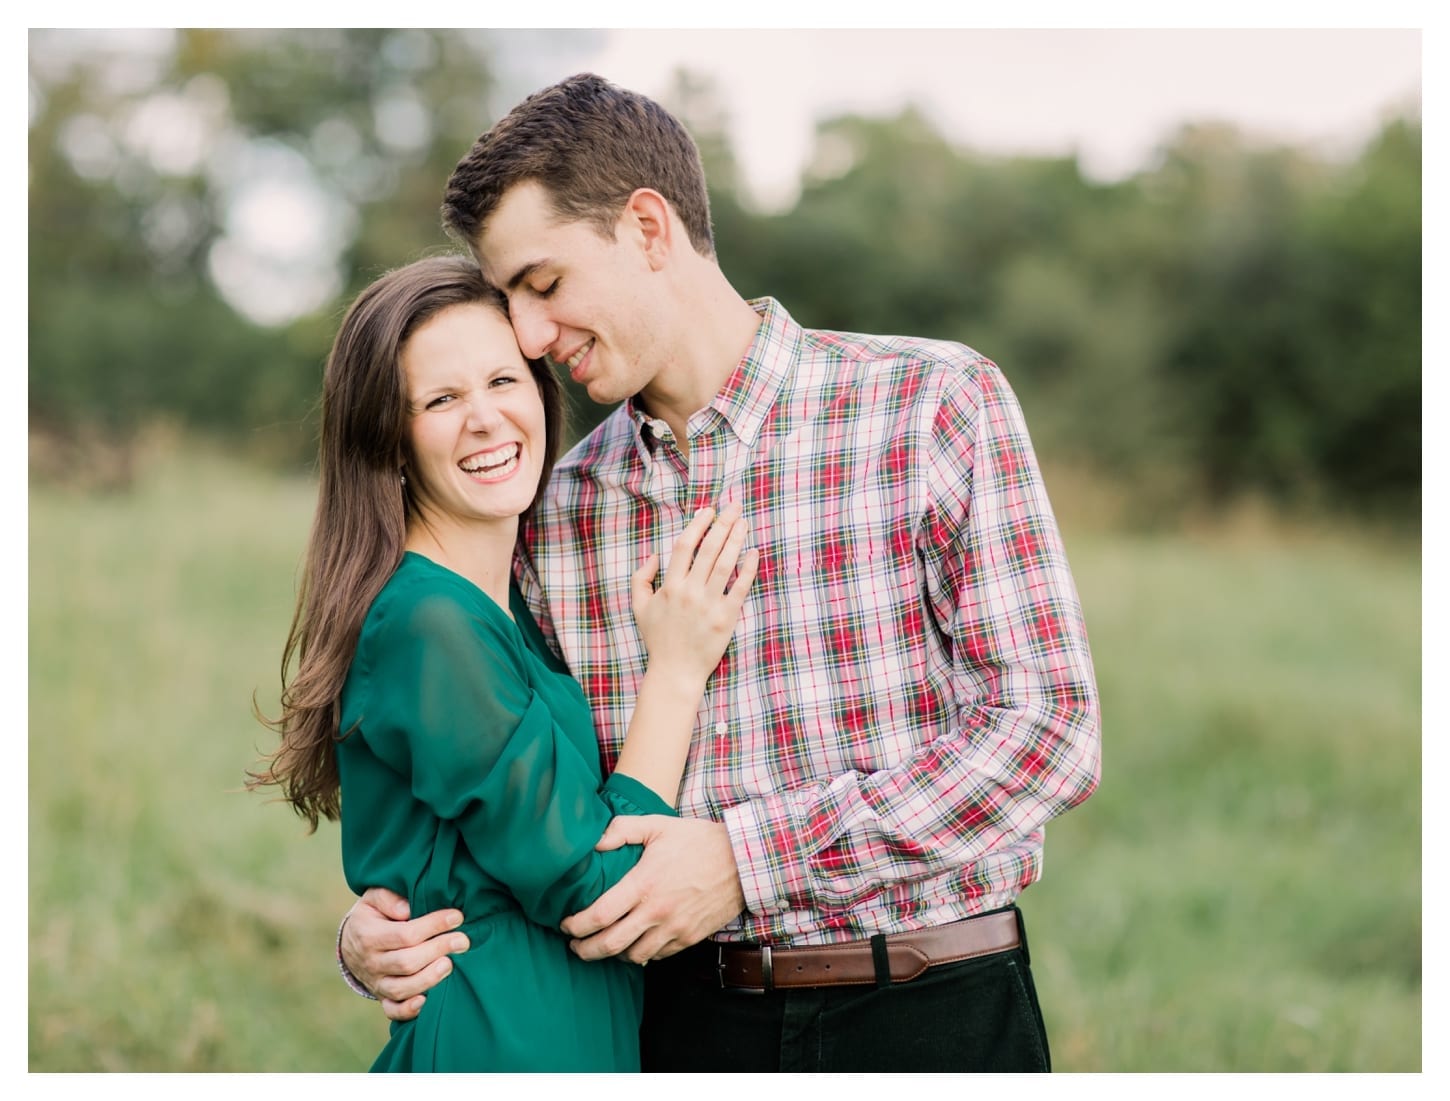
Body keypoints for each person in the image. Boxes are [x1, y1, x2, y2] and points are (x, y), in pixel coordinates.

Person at [340, 73, 1102, 1073]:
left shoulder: (929, 406)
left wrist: (751, 861)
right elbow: (493, 786)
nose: (525, 337)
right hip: (675, 1027)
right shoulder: (551, 511)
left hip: (929, 1009)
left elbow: (1046, 735)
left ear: (648, 229)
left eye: (543, 283)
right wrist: (379, 929)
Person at [248, 254, 757, 1071]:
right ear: (393, 438)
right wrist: (677, 671)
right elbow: (600, 887)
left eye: (501, 381)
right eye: (441, 399)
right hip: (505, 1047)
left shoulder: (502, 601)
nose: (484, 418)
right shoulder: (428, 622)